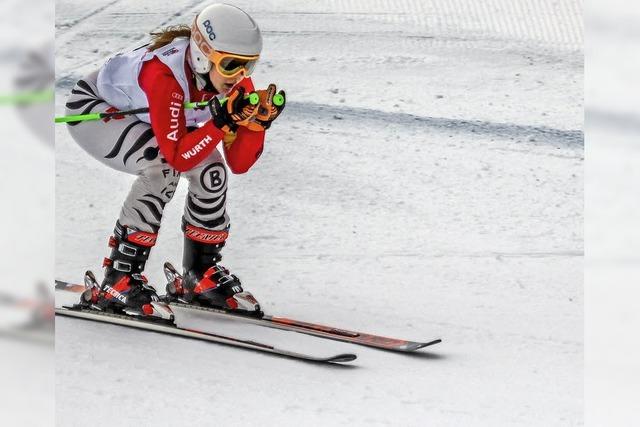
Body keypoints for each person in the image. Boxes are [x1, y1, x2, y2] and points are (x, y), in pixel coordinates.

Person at [64, 3, 285, 318]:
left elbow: (238, 163)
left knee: (213, 171)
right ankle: (119, 278)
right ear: (202, 55)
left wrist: (254, 125)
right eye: (232, 64)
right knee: (160, 168)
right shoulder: (165, 75)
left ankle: (200, 275)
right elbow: (178, 157)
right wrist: (222, 123)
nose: (240, 75)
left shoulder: (233, 82)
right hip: (96, 110)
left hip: (152, 122)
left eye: (249, 66)